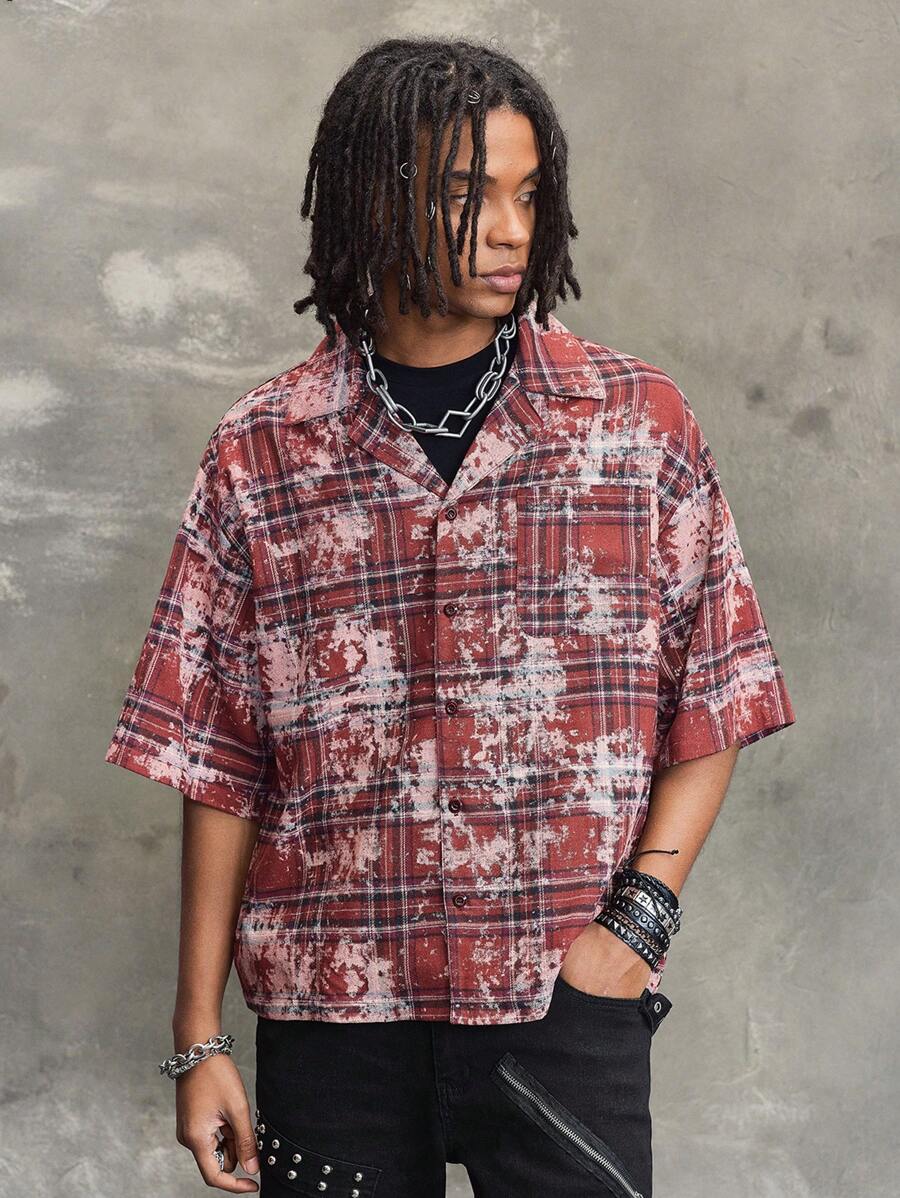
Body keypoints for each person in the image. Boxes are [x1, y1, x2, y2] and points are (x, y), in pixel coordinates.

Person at [104, 36, 796, 1198]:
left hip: (560, 1007)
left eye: (530, 195)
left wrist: (635, 925)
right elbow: (218, 756)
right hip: (332, 1021)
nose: (513, 230)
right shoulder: (263, 450)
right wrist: (198, 1033)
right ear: (378, 199)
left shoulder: (635, 424)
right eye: (471, 196)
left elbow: (717, 692)